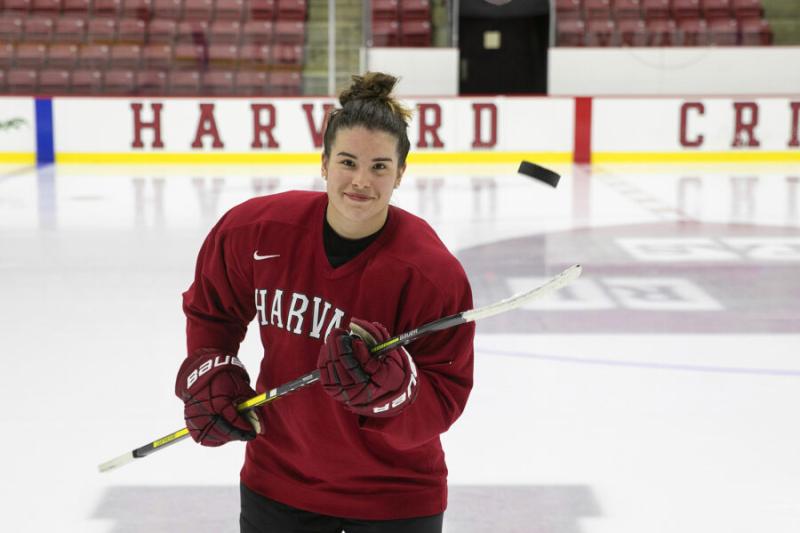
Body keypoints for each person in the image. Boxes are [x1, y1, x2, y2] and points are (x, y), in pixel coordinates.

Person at [175, 72, 475, 533]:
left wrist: (396, 395)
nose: (360, 180)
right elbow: (212, 309)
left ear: (400, 174)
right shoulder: (255, 231)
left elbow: (446, 392)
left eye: (379, 166)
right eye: (347, 162)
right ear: (324, 163)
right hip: (278, 484)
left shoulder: (431, 274)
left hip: (393, 498)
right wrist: (211, 366)